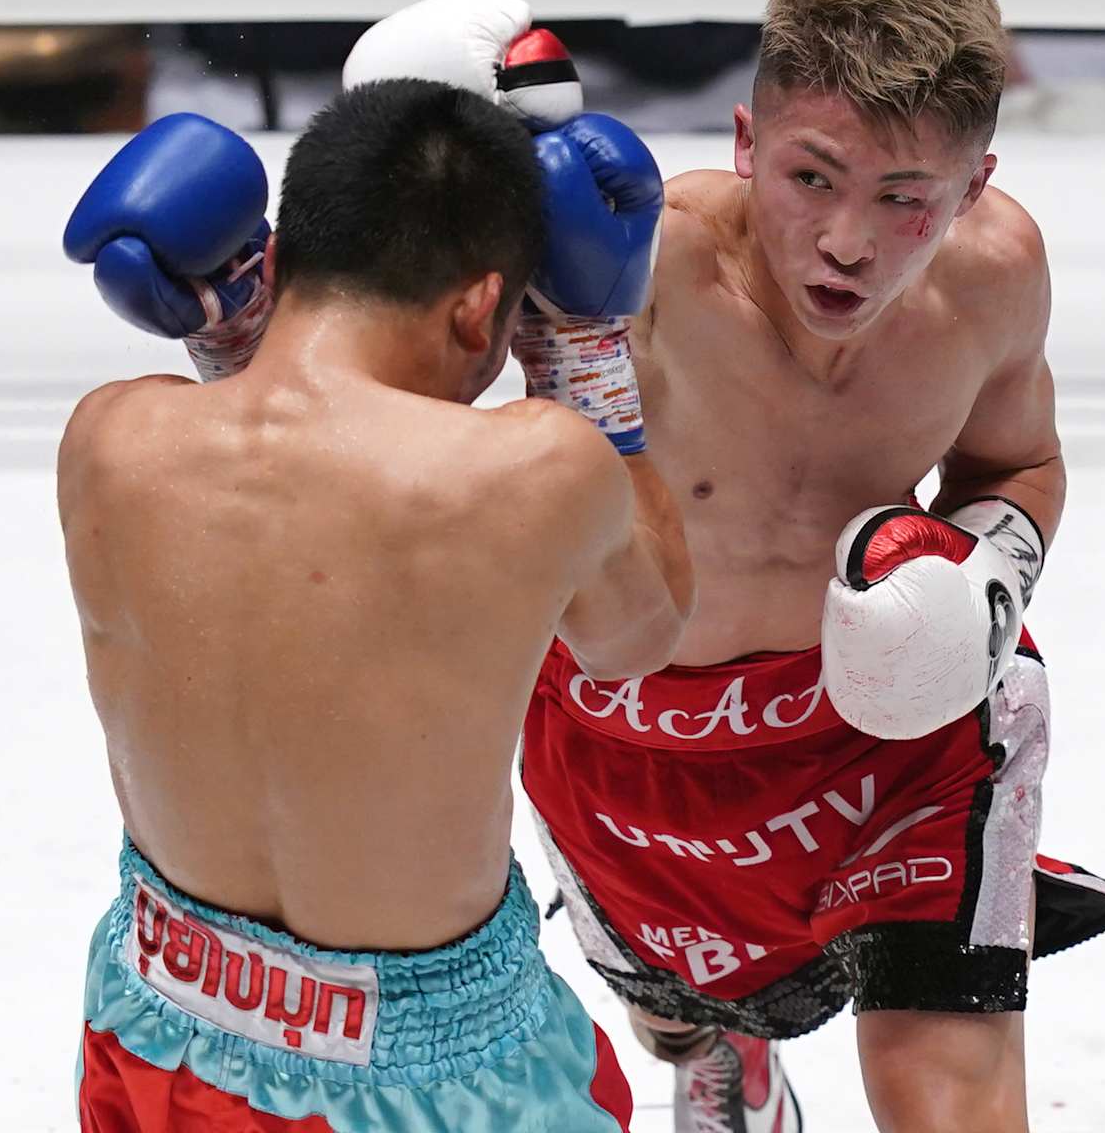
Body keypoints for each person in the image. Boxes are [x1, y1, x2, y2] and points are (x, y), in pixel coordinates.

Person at [335, 0, 1105, 1133]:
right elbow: (386, 419)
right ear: (745, 143)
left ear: (977, 183)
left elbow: (1014, 466)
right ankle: (717, 1052)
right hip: (626, 725)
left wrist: (987, 578)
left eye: (906, 197)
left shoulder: (996, 276)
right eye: (812, 177)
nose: (849, 241)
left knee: (947, 1075)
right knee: (674, 1007)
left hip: (892, 745)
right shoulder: (639, 260)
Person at [57, 78, 692, 1131]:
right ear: (482, 304)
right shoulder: (531, 470)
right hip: (432, 1076)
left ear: (285, 257)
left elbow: (293, 504)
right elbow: (639, 634)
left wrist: (233, 339)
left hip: (156, 1022)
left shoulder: (108, 438)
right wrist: (581, 354)